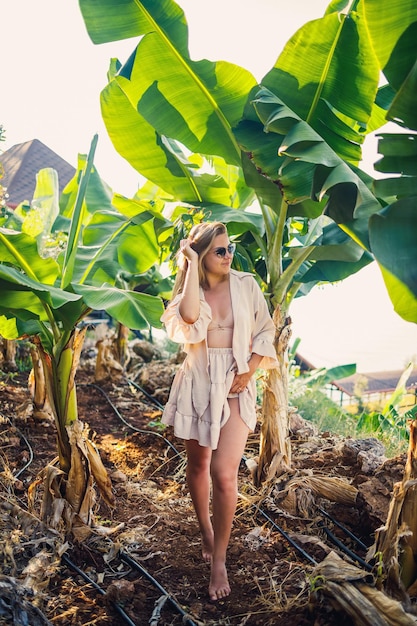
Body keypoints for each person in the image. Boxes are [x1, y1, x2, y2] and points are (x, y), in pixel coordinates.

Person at [161, 221, 278, 601]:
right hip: (199, 382)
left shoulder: (246, 285)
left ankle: (219, 559)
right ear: (201, 256)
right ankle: (206, 532)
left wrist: (251, 368)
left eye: (230, 250)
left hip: (236, 382)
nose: (229, 256)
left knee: (224, 474)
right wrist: (191, 266)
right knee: (197, 467)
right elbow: (191, 319)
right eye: (220, 251)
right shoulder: (188, 293)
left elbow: (265, 331)